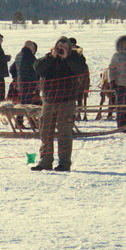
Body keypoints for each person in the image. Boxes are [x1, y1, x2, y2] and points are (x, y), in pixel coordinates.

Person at [31, 37, 87, 172]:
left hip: (66, 101)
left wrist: (67, 57)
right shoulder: (49, 58)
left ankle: (64, 163)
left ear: (69, 47)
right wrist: (52, 57)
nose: (61, 49)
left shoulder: (76, 58)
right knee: (45, 132)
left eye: (64, 47)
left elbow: (81, 70)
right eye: (59, 47)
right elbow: (37, 68)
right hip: (49, 100)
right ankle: (45, 161)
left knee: (64, 133)